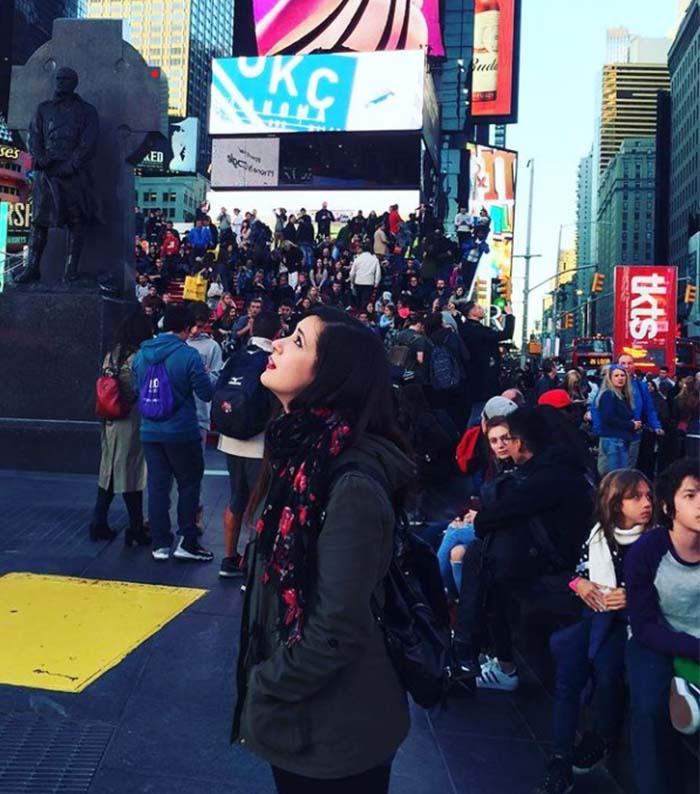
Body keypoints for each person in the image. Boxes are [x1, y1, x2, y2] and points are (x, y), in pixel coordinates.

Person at [232, 307, 413, 793]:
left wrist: (267, 686)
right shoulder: (301, 454)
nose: (276, 345)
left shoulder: (348, 482)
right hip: (307, 720)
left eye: (297, 341)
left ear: (331, 376)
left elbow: (337, 627)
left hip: (335, 734)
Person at [453, 407, 594, 690]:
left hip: (557, 566)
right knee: (473, 553)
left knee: (479, 559)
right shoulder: (564, 468)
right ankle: (471, 645)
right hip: (553, 556)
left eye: (511, 438)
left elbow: (491, 517)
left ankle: (479, 653)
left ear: (523, 441)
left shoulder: (547, 477)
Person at [536, 470, 655, 794]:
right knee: (568, 676)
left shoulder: (657, 540)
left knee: (606, 667)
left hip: (630, 623)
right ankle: (559, 761)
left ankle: (601, 736)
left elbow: (668, 589)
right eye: (635, 496)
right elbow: (576, 572)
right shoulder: (599, 536)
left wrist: (634, 596)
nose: (645, 503)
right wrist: (581, 583)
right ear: (615, 503)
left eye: (647, 496)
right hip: (596, 615)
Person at [625, 459, 700, 794]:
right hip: (656, 636)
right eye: (691, 495)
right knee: (649, 708)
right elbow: (642, 626)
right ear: (670, 506)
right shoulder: (648, 550)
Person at [133, 304, 215, 562]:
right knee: (188, 484)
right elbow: (206, 392)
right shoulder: (188, 356)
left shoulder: (142, 354)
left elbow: (138, 387)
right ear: (187, 328)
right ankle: (187, 541)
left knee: (157, 486)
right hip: (182, 430)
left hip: (149, 429)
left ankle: (160, 543)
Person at [217, 311, 281, 578]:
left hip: (230, 438)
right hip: (259, 443)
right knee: (260, 502)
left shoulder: (238, 356)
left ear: (252, 329)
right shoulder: (273, 361)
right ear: (278, 333)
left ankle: (229, 559)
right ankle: (255, 564)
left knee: (236, 497)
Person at [90, 308, 153, 546]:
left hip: (109, 416)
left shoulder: (112, 354)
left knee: (108, 470)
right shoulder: (139, 358)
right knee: (132, 471)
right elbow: (140, 389)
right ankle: (135, 527)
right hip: (131, 417)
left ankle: (98, 522)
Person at [460, 300, 516, 425]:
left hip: (476, 379)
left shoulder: (467, 329)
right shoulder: (476, 330)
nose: (482, 309)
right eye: (479, 307)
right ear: (472, 312)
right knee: (479, 415)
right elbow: (505, 334)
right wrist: (509, 316)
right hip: (483, 381)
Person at [596, 365, 640, 476]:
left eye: (622, 375)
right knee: (617, 477)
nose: (620, 378)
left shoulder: (623, 396)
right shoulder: (608, 395)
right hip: (613, 440)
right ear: (610, 378)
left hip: (621, 439)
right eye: (616, 376)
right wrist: (631, 424)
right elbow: (608, 418)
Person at [349, 243, 381, 310]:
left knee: (358, 300)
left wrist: (352, 281)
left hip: (358, 282)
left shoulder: (358, 259)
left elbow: (352, 273)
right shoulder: (374, 260)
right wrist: (376, 283)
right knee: (366, 301)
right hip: (369, 283)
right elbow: (378, 273)